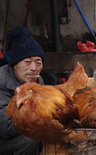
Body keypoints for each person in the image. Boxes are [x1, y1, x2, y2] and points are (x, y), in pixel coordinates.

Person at [0, 26, 44, 154]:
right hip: (3, 139)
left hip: (20, 132)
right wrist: (40, 117)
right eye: (27, 62)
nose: (33, 68)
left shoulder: (37, 80)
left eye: (38, 62)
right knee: (30, 140)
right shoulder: (1, 82)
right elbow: (6, 128)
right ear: (15, 65)